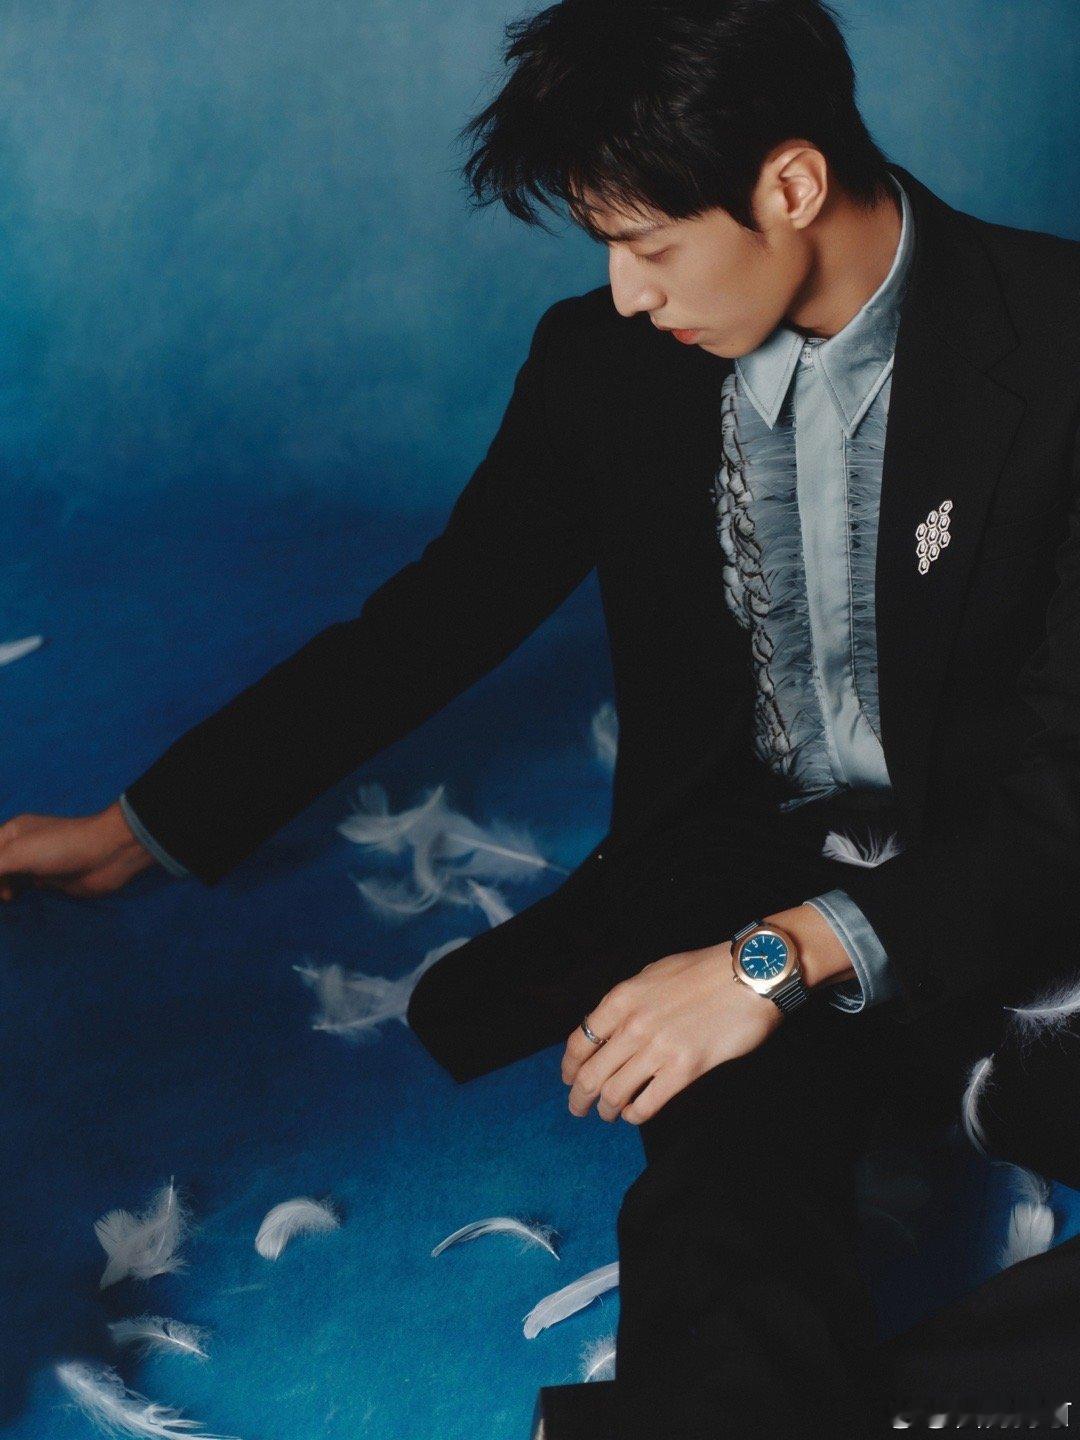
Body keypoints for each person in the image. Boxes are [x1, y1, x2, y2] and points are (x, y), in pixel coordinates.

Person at [3, 0, 1078, 1432]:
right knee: (725, 1237)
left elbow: (1064, 796)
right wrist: (138, 828)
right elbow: (437, 619)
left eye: (650, 247)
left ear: (792, 185)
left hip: (1024, 878)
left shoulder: (1060, 346)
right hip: (733, 884)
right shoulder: (603, 367)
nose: (627, 293)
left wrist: (778, 961)